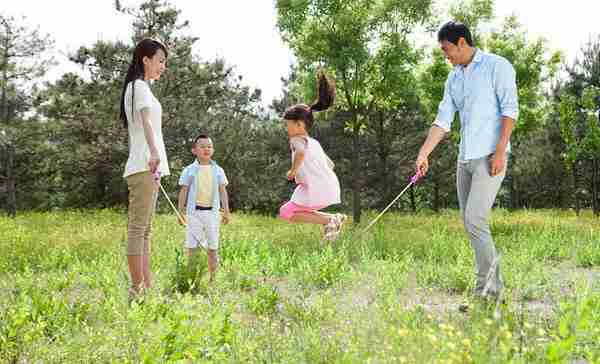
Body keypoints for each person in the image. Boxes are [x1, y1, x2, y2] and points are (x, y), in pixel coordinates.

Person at [415, 21, 518, 309]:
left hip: (490, 157)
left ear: (462, 42)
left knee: (475, 219)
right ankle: (483, 291)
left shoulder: (497, 66)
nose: (445, 56)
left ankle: (491, 294)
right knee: (470, 224)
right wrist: (424, 153)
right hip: (465, 159)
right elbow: (443, 120)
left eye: (447, 50)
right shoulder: (454, 79)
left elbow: (510, 110)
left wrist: (500, 151)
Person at [119, 38, 169, 301]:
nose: (163, 66)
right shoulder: (138, 86)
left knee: (145, 229)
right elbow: (147, 123)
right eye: (160, 60)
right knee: (139, 228)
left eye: (164, 62)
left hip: (148, 165)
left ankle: (146, 286)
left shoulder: (142, 88)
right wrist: (153, 154)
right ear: (145, 60)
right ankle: (136, 289)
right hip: (144, 164)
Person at [279, 71, 346, 241]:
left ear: (299, 124)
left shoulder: (296, 140)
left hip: (315, 187)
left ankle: (330, 219)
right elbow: (330, 165)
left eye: (288, 125)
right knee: (302, 210)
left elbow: (300, 153)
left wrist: (293, 172)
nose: (287, 129)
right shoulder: (314, 142)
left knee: (286, 212)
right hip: (329, 187)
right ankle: (332, 222)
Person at [178, 134, 230, 282]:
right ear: (194, 150)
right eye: (202, 146)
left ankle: (213, 280)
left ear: (212, 150)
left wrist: (226, 211)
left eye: (209, 146)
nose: (206, 149)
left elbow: (222, 191)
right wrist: (181, 212)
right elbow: (184, 191)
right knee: (192, 247)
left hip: (212, 214)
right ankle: (191, 278)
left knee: (213, 247)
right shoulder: (189, 170)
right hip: (193, 213)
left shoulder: (218, 170)